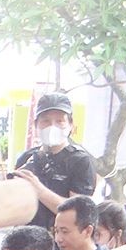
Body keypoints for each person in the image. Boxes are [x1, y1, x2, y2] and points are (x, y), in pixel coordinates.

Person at [9, 92, 98, 230]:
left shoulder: (81, 161)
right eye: (46, 121)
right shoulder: (26, 159)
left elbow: (77, 214)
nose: (52, 126)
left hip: (62, 245)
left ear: (70, 125)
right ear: (36, 125)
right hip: (26, 240)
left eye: (59, 121)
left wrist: (38, 189)